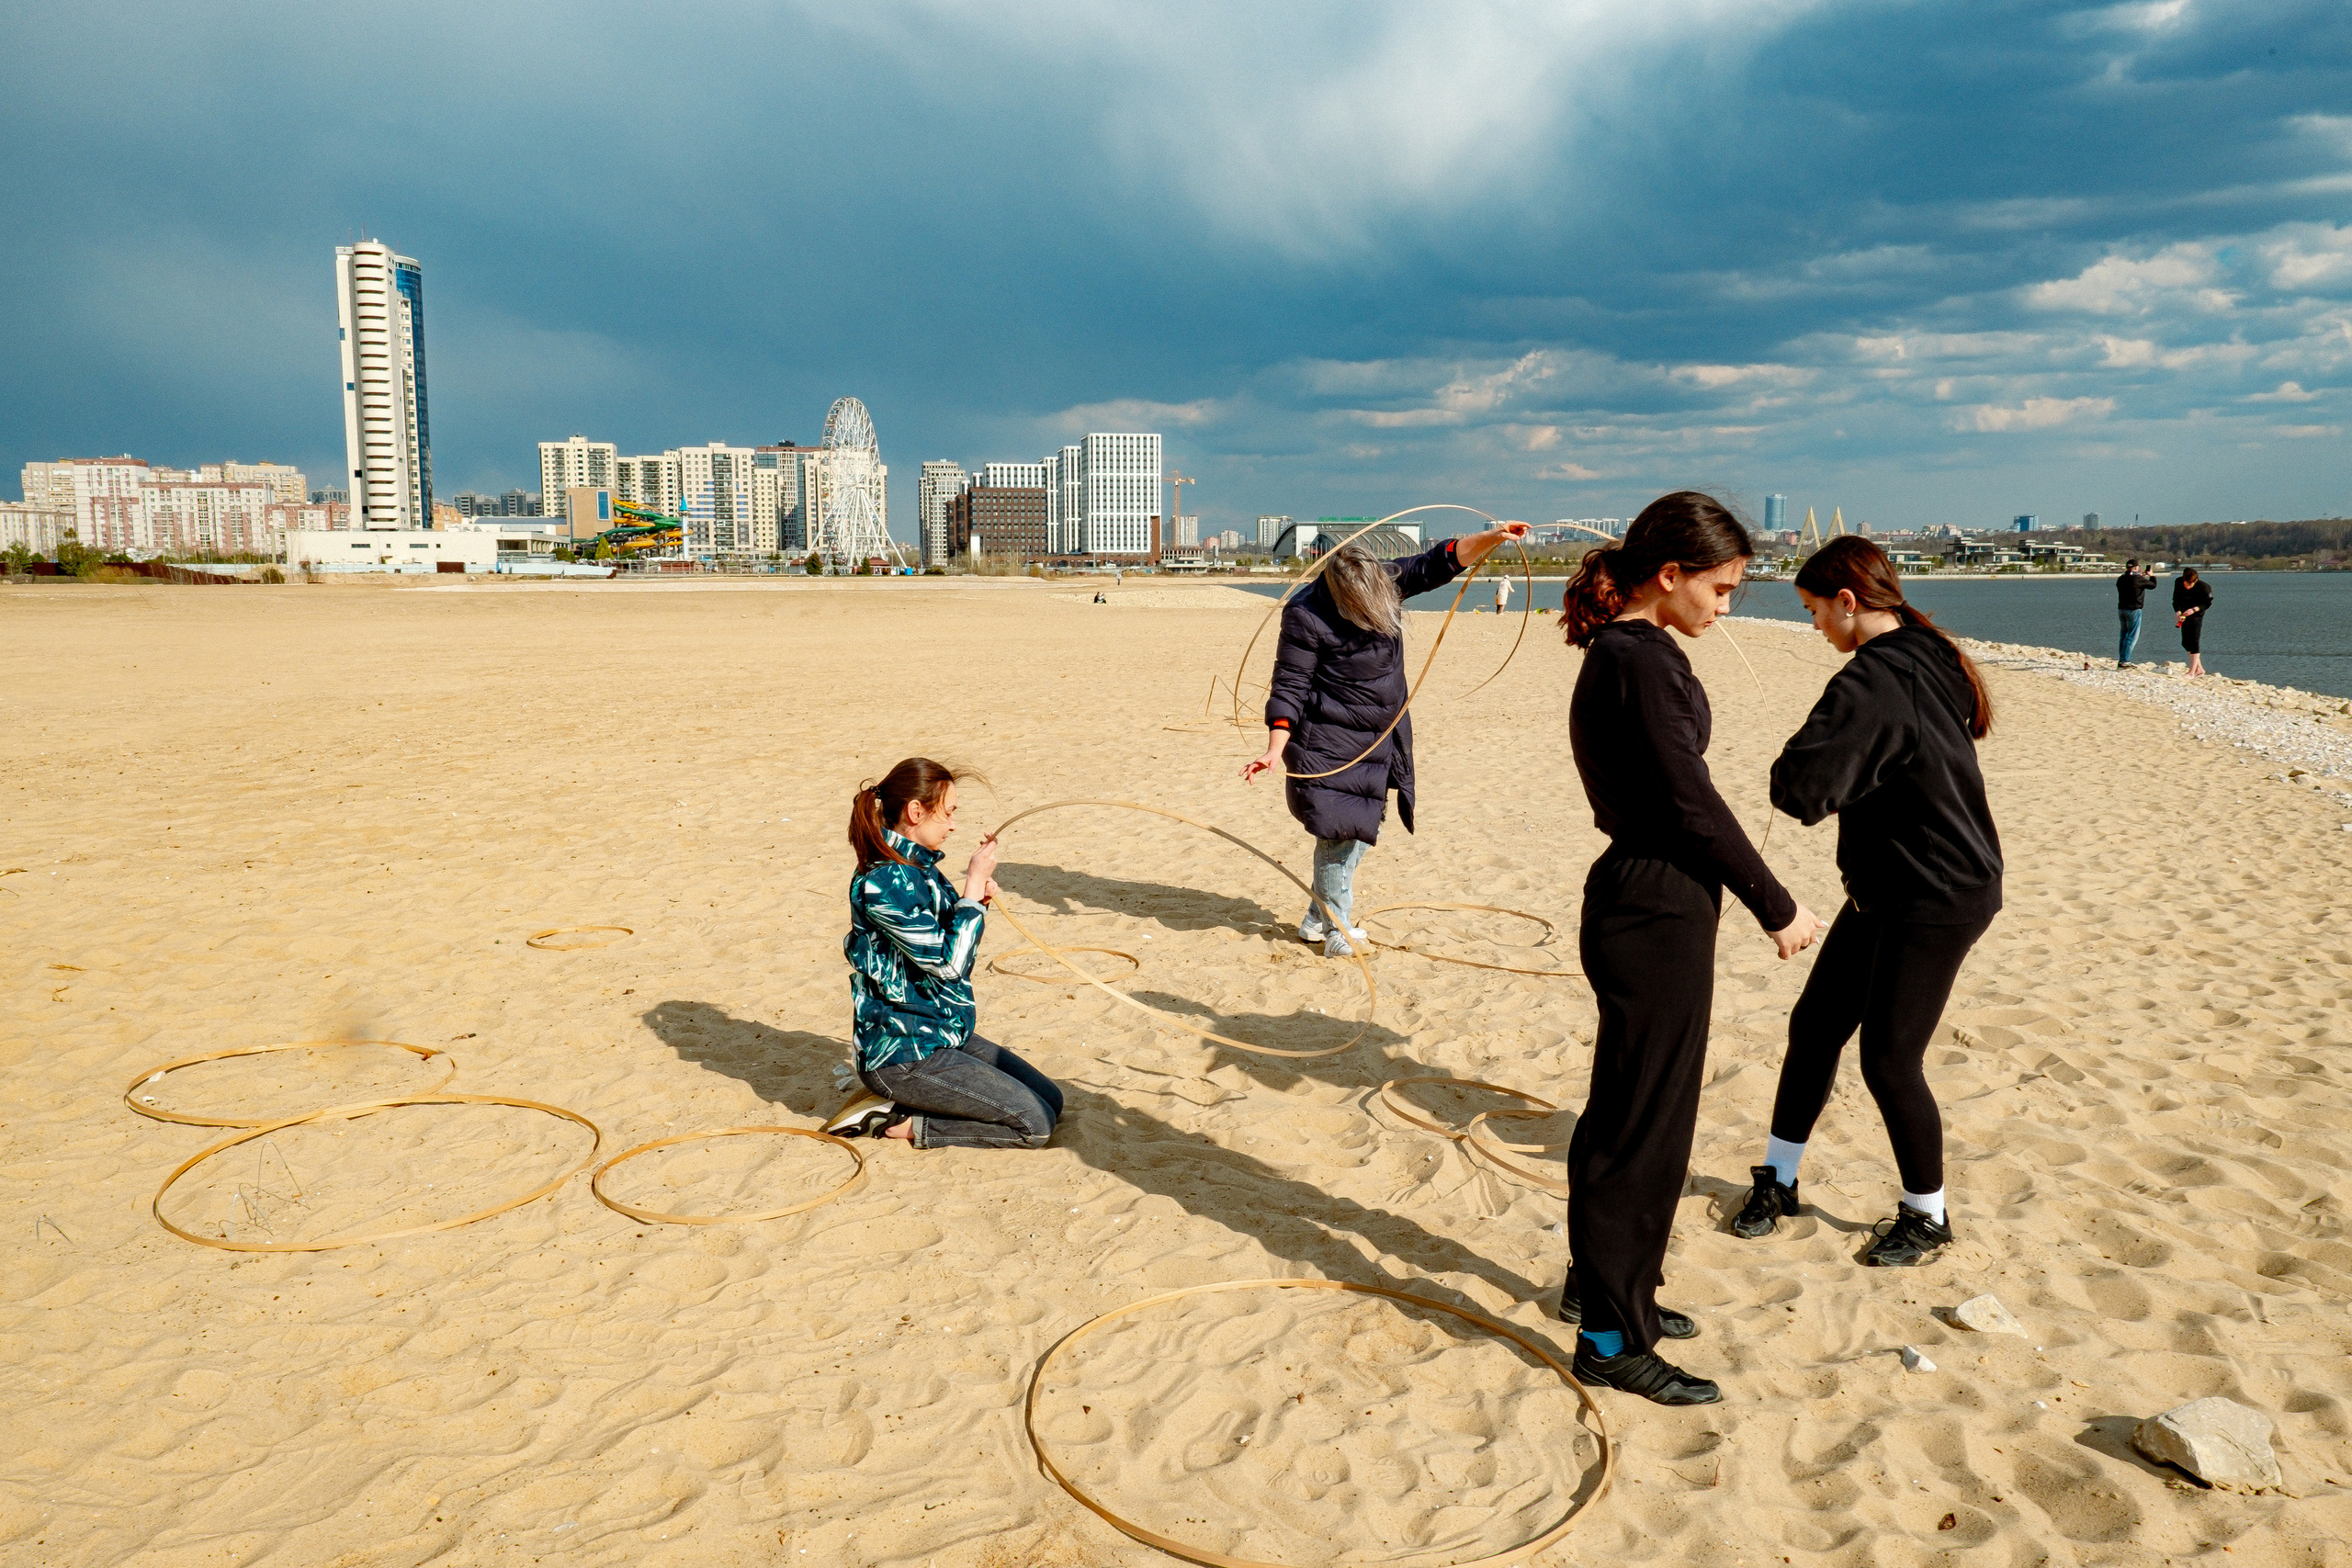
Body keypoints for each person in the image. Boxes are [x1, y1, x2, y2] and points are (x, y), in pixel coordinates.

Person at [1556, 491, 1824, 1406]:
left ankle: (1607, 1289)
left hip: (1650, 900)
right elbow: (1690, 801)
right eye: (1721, 586)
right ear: (1668, 577)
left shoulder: (1636, 652)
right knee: (1643, 1130)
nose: (1727, 604)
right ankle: (1607, 1337)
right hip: (1651, 906)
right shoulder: (1636, 661)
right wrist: (1776, 903)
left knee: (1629, 1114)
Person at [1732, 537, 2002, 1269]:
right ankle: (1779, 1180)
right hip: (1886, 887)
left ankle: (1927, 1214)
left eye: (1815, 610)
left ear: (1849, 602)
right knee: (1815, 1024)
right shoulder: (1923, 648)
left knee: (1889, 1058)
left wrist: (1801, 772)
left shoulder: (1881, 675)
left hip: (1940, 892)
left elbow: (1800, 790)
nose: (1816, 625)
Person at [1240, 522, 1532, 954]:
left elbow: (1441, 561)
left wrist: (1492, 537)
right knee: (1337, 833)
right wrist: (1273, 749)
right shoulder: (1305, 614)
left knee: (1361, 828)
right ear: (1342, 594)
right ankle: (1338, 931)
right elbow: (1290, 684)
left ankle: (1317, 919)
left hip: (1381, 735)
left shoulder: (1386, 581)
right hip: (1327, 738)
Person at [830, 758, 1064, 1149]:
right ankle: (901, 1123)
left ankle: (921, 1104)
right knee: (1035, 1127)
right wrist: (971, 889)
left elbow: (950, 946)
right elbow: (950, 965)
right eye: (949, 813)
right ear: (915, 811)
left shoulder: (919, 867)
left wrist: (978, 904)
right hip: (903, 1053)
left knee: (1051, 1101)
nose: (954, 825)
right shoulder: (882, 881)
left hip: (940, 1030)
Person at [2115, 558, 2159, 668]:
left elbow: (2132, 582)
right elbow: (2153, 585)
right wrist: (2151, 575)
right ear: (2136, 567)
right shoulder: (2138, 579)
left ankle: (2122, 659)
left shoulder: (2121, 579)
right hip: (2134, 609)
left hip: (2122, 609)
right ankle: (2125, 660)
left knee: (2123, 635)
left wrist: (2141, 577)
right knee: (2132, 636)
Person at [2174, 566, 2213, 678]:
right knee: (2185, 643)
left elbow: (2207, 603)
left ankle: (2192, 672)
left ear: (2195, 581)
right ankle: (2199, 668)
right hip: (2183, 615)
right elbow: (2175, 599)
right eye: (2185, 584)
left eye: (2189, 585)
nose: (2187, 587)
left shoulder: (2204, 587)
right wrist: (2178, 612)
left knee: (2194, 642)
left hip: (2196, 616)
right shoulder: (2178, 582)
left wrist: (2194, 609)